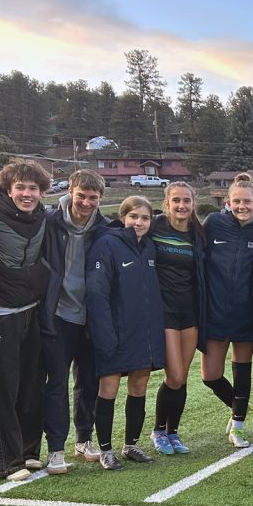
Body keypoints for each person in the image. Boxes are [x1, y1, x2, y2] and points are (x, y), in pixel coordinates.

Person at [0, 158, 51, 481]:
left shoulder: (43, 216)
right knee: (5, 388)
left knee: (33, 386)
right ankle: (10, 461)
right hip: (0, 317)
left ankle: (31, 452)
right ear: (7, 188)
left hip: (32, 311)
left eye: (33, 188)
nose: (27, 194)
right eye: (20, 187)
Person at [85, 196, 166, 470]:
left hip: (143, 333)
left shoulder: (151, 247)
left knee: (139, 387)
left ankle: (131, 444)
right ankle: (106, 450)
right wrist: (104, 333)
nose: (139, 222)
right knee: (108, 389)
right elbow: (97, 293)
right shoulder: (107, 244)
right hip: (114, 332)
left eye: (145, 218)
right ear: (123, 219)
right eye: (134, 217)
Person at [40, 169, 108, 474]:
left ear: (100, 199)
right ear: (70, 191)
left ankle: (84, 439)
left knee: (88, 382)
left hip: (90, 317)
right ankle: (56, 449)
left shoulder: (104, 228)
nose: (86, 202)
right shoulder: (49, 221)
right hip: (58, 315)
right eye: (81, 195)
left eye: (93, 197)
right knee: (56, 383)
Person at [201, 174, 253, 449]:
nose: (242, 206)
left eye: (247, 201)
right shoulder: (214, 224)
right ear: (228, 202)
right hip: (216, 313)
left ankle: (239, 425)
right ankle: (237, 405)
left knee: (242, 371)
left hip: (246, 314)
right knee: (210, 376)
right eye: (236, 202)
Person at [149, 183, 207, 456]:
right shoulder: (154, 227)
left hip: (191, 311)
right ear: (167, 203)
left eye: (186, 201)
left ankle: (173, 432)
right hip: (165, 311)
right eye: (176, 201)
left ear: (193, 204)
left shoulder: (198, 234)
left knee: (182, 377)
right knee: (173, 375)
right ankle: (158, 430)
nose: (181, 206)